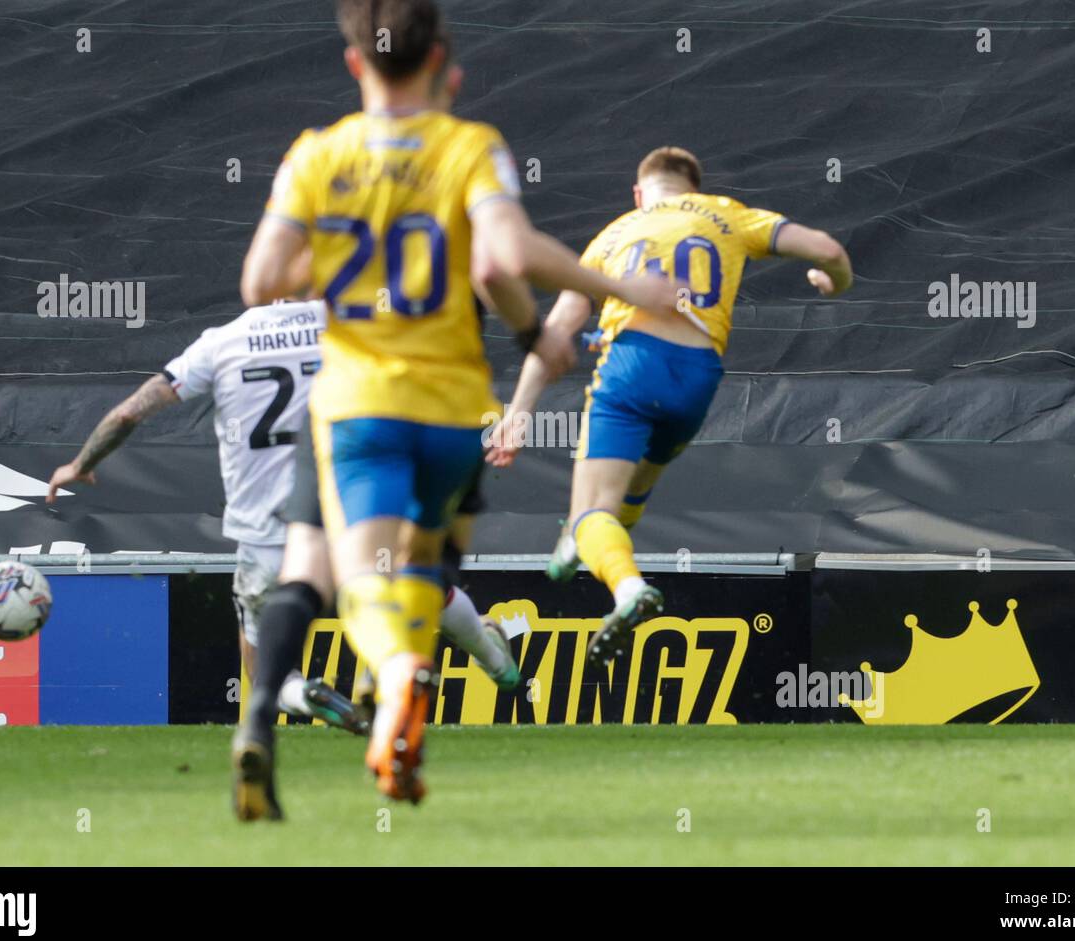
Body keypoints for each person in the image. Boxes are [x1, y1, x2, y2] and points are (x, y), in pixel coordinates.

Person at [234, 0, 681, 809]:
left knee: (358, 569)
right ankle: (408, 688)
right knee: (425, 573)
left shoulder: (318, 156)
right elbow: (502, 259)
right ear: (445, 64)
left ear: (353, 64)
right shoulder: (469, 148)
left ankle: (393, 678)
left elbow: (262, 281)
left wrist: (339, 265)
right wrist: (571, 314)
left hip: (359, 406)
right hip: (451, 412)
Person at [487, 146, 853, 666]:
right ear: (694, 190)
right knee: (634, 491)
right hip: (698, 380)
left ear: (639, 194)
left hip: (633, 365)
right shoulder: (727, 214)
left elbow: (559, 328)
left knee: (593, 508)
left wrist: (518, 413)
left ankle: (621, 578)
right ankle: (590, 543)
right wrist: (830, 281)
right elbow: (829, 250)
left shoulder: (616, 233)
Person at [45, 298, 363, 732]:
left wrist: (81, 463)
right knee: (408, 601)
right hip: (344, 522)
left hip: (263, 538)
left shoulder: (223, 342)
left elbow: (129, 412)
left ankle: (303, 694)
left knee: (264, 668)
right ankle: (477, 659)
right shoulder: (345, 324)